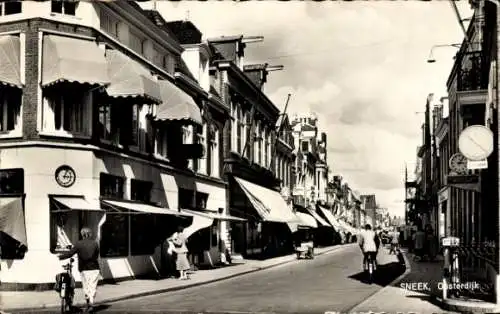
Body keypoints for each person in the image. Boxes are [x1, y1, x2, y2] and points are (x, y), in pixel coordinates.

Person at [58, 227, 100, 313]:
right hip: (94, 268)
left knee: (86, 286)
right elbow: (96, 255)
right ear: (90, 234)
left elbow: (70, 253)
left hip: (83, 268)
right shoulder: (95, 243)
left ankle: (89, 302)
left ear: (82, 234)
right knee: (92, 286)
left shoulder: (78, 244)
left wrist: (60, 257)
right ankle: (91, 304)